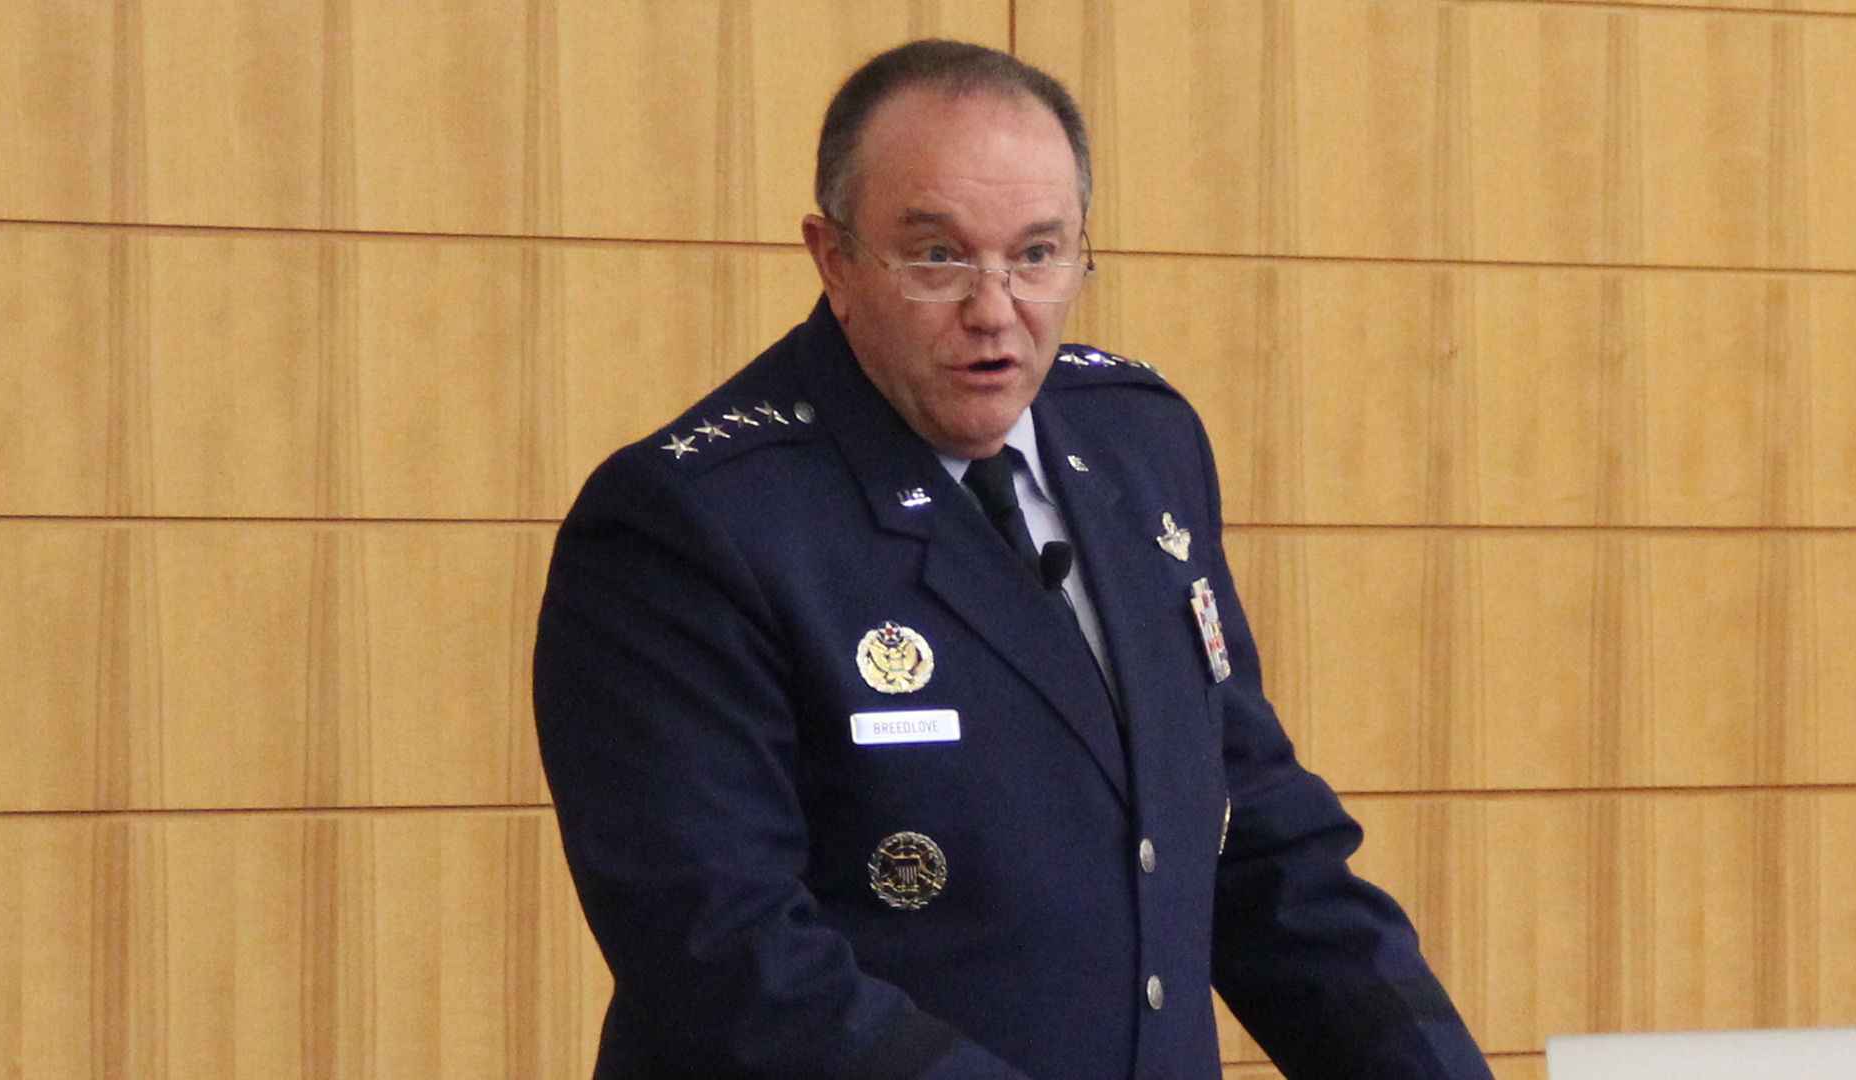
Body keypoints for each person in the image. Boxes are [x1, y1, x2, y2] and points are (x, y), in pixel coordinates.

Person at [533, 39, 1495, 1080]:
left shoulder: (1141, 447)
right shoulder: (692, 524)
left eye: (1038, 255)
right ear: (835, 259)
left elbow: (1254, 839)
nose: (996, 312)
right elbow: (725, 959)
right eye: (939, 257)